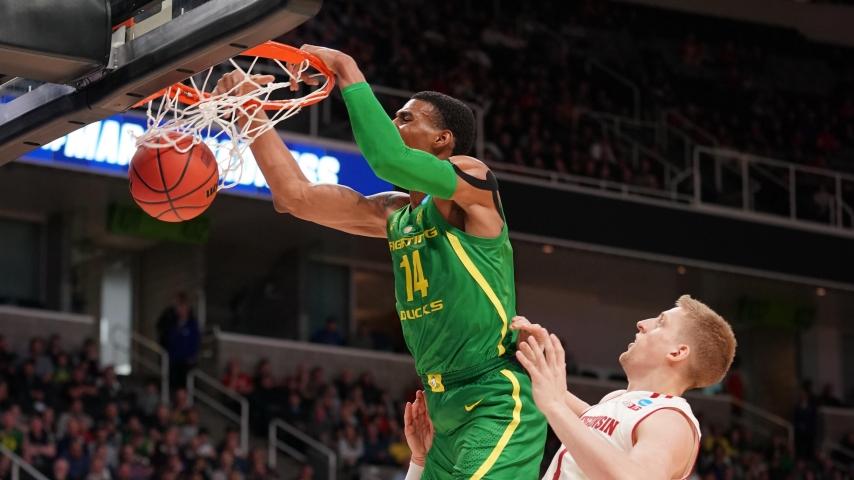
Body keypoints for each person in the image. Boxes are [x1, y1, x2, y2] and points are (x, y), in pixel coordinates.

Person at [214, 44, 547, 478]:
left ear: (443, 140)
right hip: (440, 407)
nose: (392, 124)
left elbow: (388, 158)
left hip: (494, 398)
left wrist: (344, 67)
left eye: (405, 118)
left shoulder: (474, 182)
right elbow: (295, 197)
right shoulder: (395, 214)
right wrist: (248, 110)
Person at [401, 295, 737, 479]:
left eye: (660, 323)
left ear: (678, 352)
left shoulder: (671, 419)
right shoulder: (618, 403)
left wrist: (555, 405)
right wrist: (533, 357)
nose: (642, 323)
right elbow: (564, 404)